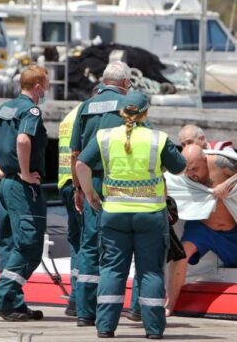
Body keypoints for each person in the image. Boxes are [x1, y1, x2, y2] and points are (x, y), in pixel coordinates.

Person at [76, 91, 186, 339]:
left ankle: (105, 327)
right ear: (146, 112)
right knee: (150, 272)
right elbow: (180, 167)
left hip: (114, 214)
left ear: (121, 111)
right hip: (150, 216)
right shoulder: (157, 138)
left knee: (112, 270)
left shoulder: (104, 136)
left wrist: (90, 193)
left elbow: (81, 164)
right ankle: (154, 330)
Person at [0, 65, 49, 321]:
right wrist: (26, 172)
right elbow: (23, 140)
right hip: (23, 187)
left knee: (9, 244)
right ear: (38, 86)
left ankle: (12, 303)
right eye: (46, 82)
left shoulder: (4, 108)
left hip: (6, 184)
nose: (47, 87)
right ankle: (0, 298)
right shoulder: (32, 109)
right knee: (29, 245)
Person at [69, 61, 132, 326]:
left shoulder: (85, 107)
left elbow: (75, 153)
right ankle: (110, 313)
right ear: (126, 83)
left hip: (88, 179)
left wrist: (77, 188)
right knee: (115, 248)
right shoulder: (128, 107)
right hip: (117, 183)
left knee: (89, 246)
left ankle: (84, 312)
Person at [165, 144, 237, 317]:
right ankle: (169, 304)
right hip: (202, 226)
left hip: (231, 231)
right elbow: (167, 183)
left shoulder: (221, 163)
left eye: (195, 168)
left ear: (205, 159)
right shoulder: (184, 173)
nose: (191, 174)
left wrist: (227, 184)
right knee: (181, 253)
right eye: (187, 170)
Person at [57, 102, 83, 317]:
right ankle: (81, 299)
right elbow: (78, 153)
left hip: (63, 182)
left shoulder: (69, 116)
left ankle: (75, 298)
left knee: (76, 241)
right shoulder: (86, 114)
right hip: (78, 185)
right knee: (89, 242)